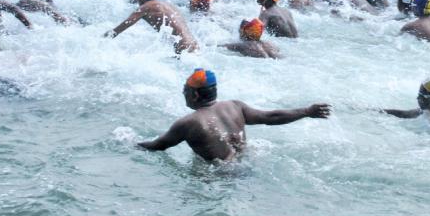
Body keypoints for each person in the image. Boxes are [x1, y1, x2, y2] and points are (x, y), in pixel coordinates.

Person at [137, 68, 330, 161]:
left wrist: (130, 143)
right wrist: (306, 111)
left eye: (184, 90)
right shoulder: (234, 106)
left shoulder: (188, 123)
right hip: (246, 166)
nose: (183, 93)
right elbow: (271, 117)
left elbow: (157, 146)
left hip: (218, 179)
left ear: (194, 94)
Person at [104, 0, 198, 53]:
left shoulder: (145, 8)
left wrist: (98, 40)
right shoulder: (168, 5)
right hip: (194, 47)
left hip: (184, 50)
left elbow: (116, 31)